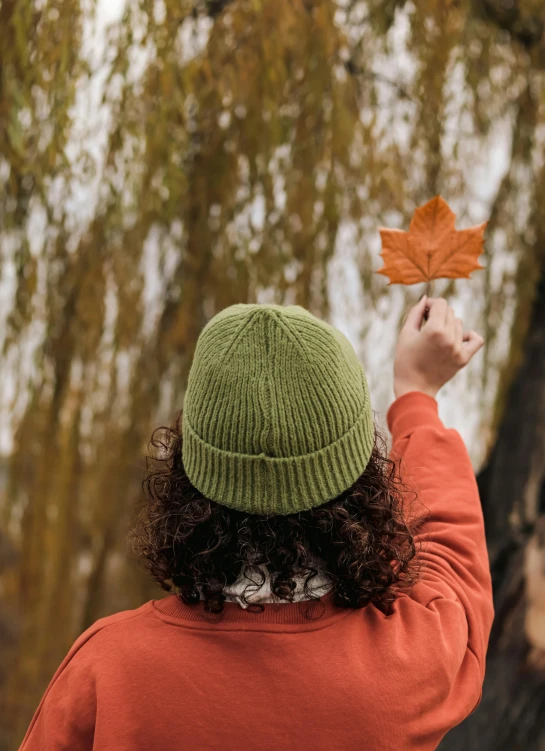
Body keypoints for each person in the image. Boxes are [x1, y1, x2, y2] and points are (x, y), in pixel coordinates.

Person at [20, 296, 494, 751]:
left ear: (187, 475)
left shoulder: (108, 670)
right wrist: (417, 396)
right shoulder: (409, 664)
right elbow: (449, 550)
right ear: (364, 482)